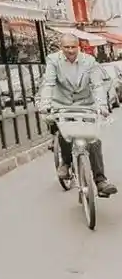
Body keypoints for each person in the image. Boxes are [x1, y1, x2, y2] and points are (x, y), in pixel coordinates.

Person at [39, 32, 117, 197]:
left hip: (85, 104)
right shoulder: (53, 60)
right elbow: (49, 83)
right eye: (66, 47)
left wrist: (102, 105)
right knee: (65, 132)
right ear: (61, 48)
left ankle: (101, 181)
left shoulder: (89, 61)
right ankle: (66, 164)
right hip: (62, 104)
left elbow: (97, 85)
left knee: (93, 140)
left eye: (73, 47)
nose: (70, 50)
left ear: (79, 47)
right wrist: (45, 104)